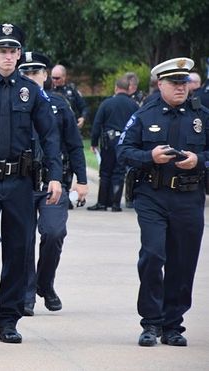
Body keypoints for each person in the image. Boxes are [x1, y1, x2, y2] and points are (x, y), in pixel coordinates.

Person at [0, 23, 62, 344]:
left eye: (13, 51)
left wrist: (56, 177)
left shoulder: (32, 91)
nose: (8, 56)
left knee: (18, 251)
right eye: (2, 51)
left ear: (19, 55)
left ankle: (8, 318)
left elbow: (49, 136)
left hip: (21, 181)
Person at [117, 57, 209, 347]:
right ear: (160, 84)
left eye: (184, 82)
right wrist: (149, 157)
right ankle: (151, 322)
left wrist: (199, 161)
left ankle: (173, 325)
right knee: (153, 255)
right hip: (152, 196)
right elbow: (123, 150)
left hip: (189, 196)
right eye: (174, 82)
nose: (181, 87)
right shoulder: (145, 115)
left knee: (183, 262)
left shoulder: (202, 116)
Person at [17, 51, 88, 316]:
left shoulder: (59, 104)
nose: (31, 78)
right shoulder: (12, 104)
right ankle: (26, 295)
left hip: (52, 181)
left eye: (36, 73)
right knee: (23, 240)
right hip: (22, 182)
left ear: (46, 76)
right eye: (26, 73)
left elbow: (74, 145)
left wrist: (81, 180)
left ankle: (45, 283)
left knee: (54, 232)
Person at [88, 75, 139, 211]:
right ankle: (116, 204)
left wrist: (93, 142)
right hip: (125, 143)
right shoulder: (134, 105)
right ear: (128, 89)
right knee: (119, 172)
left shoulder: (107, 103)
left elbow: (97, 124)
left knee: (105, 172)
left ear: (116, 87)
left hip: (108, 143)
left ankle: (102, 203)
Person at [51, 64, 89, 128]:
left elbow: (84, 107)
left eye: (57, 78)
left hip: (71, 126)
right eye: (53, 78)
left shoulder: (72, 90)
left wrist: (83, 118)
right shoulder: (48, 90)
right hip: (54, 127)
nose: (54, 80)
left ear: (64, 77)